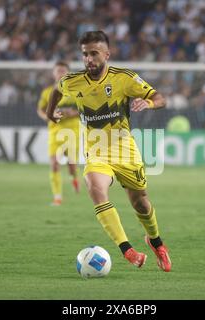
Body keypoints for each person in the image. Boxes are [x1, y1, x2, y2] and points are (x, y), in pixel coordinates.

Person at [46, 31, 171, 271]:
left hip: (125, 150)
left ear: (107, 54)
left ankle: (156, 242)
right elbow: (56, 90)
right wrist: (51, 112)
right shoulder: (73, 81)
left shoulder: (125, 78)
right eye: (85, 54)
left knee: (141, 203)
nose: (89, 59)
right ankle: (127, 250)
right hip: (96, 150)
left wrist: (149, 103)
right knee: (95, 188)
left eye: (94, 53)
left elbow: (159, 97)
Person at [37, 61, 80, 206]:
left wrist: (72, 113)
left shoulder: (76, 91)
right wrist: (49, 116)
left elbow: (85, 109)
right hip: (55, 131)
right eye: (58, 71)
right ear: (53, 73)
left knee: (71, 165)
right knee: (54, 164)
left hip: (72, 131)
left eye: (63, 70)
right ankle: (57, 197)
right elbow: (41, 110)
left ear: (68, 73)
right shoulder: (47, 92)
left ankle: (74, 178)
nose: (60, 73)